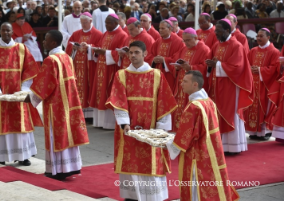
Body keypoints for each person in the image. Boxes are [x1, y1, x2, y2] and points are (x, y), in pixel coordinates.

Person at [106, 40, 177, 201]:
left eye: (136, 52)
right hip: (129, 128)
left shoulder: (157, 75)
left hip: (151, 127)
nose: (132, 55)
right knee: (131, 160)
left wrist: (161, 127)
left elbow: (164, 102)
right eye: (130, 52)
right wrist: (124, 123)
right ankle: (131, 197)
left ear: (145, 54)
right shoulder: (121, 75)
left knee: (152, 159)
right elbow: (118, 101)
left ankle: (153, 197)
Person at [166, 70, 240, 201]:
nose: (181, 83)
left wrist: (167, 144)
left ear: (195, 84)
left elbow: (185, 137)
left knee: (196, 189)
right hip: (210, 151)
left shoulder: (193, 107)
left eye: (185, 81)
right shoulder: (208, 101)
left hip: (196, 154)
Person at [27, 30, 90, 180]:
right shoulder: (67, 57)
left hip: (56, 106)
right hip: (69, 102)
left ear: (53, 43)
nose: (43, 42)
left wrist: (31, 98)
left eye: (46, 39)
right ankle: (71, 167)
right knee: (68, 134)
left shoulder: (51, 60)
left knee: (57, 136)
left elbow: (45, 84)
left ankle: (58, 170)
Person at [0, 22, 43, 166]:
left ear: (12, 31)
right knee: (3, 123)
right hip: (0, 94)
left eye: (8, 31)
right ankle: (0, 156)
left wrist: (25, 89)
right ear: (0, 32)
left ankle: (23, 155)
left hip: (19, 93)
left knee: (20, 123)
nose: (6, 33)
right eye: (3, 31)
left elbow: (30, 69)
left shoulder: (21, 48)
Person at [206, 19, 253, 154]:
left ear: (227, 30)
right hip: (218, 86)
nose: (216, 33)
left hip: (231, 85)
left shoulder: (236, 45)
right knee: (218, 114)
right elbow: (213, 63)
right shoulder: (216, 45)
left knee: (230, 113)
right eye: (215, 30)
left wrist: (218, 65)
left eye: (219, 30)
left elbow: (237, 67)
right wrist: (210, 65)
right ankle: (220, 145)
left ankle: (234, 146)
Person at [88, 14, 128, 129]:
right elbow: (100, 47)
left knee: (108, 92)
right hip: (101, 67)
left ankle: (109, 124)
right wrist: (96, 50)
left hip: (111, 69)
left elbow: (120, 54)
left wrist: (105, 53)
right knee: (99, 93)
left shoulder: (122, 35)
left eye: (108, 23)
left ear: (116, 23)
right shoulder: (106, 33)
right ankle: (99, 122)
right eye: (105, 23)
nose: (106, 25)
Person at [65, 12, 103, 118]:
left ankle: (89, 115)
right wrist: (74, 47)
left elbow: (100, 49)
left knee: (88, 86)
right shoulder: (76, 33)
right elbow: (69, 44)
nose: (83, 25)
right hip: (77, 65)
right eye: (81, 23)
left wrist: (89, 47)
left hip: (89, 67)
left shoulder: (98, 34)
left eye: (85, 23)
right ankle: (77, 111)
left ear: (91, 21)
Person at [244, 28, 280, 140]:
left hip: (265, 85)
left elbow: (275, 69)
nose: (258, 38)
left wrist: (260, 70)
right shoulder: (253, 51)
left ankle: (264, 132)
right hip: (253, 84)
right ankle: (253, 131)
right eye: (257, 36)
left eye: (261, 36)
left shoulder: (274, 52)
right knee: (251, 107)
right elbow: (246, 65)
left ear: (268, 37)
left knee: (264, 107)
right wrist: (250, 69)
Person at [172, 28, 209, 132]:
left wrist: (191, 68)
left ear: (196, 38)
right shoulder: (184, 49)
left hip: (193, 86)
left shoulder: (204, 49)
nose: (186, 43)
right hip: (182, 84)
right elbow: (178, 60)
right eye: (184, 40)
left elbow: (205, 67)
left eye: (188, 40)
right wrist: (177, 67)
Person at [151, 20, 185, 92]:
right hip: (158, 72)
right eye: (159, 28)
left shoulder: (178, 41)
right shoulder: (158, 41)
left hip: (169, 75)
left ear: (170, 29)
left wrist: (164, 60)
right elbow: (150, 54)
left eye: (162, 28)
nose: (160, 30)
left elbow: (178, 58)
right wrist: (153, 60)